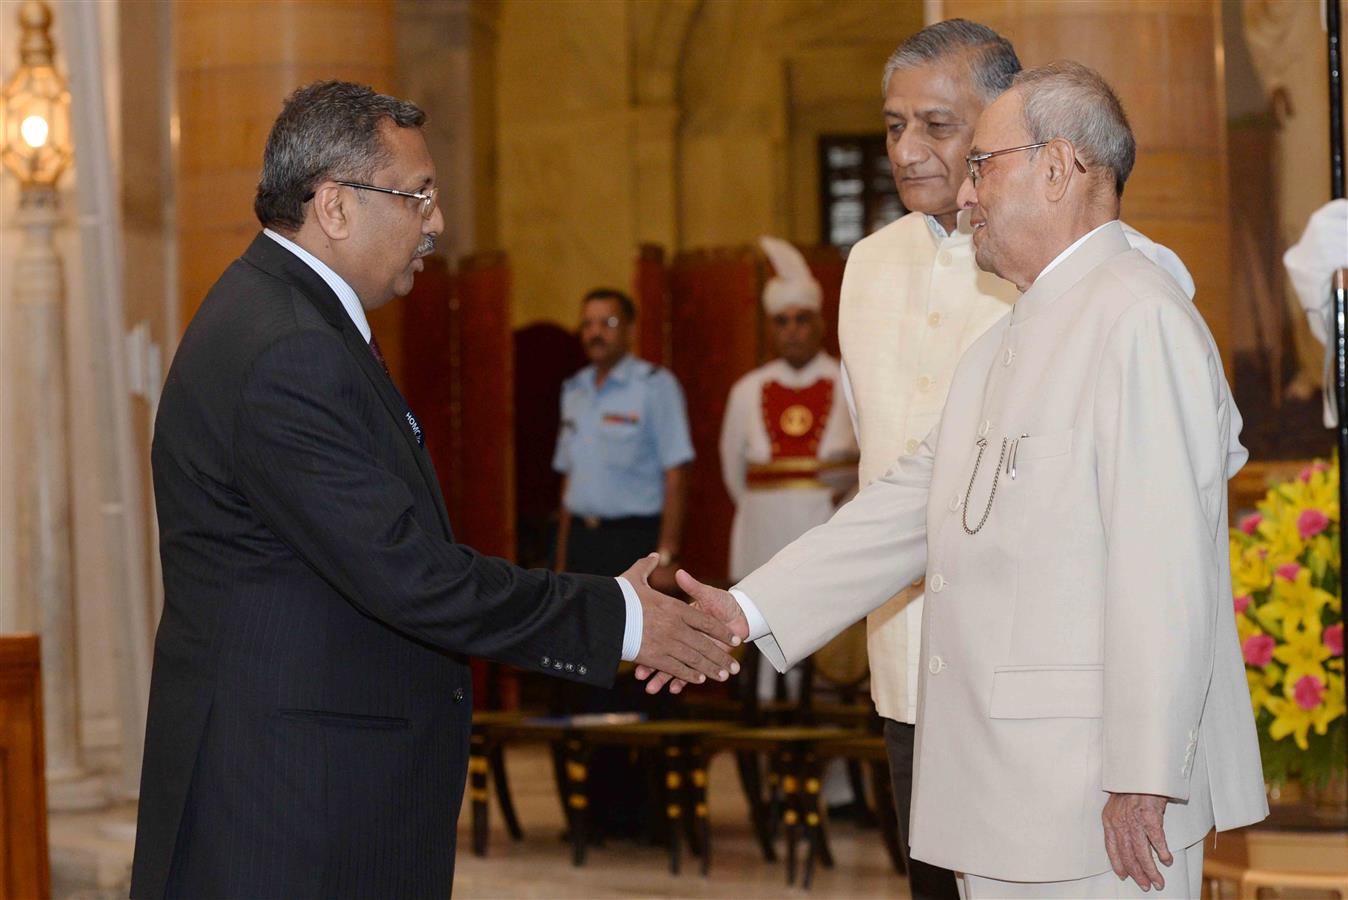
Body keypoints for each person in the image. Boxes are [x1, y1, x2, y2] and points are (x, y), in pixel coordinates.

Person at [665, 61, 1269, 898]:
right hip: (1009, 787)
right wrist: (747, 608)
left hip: (1099, 799)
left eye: (984, 164)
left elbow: (1165, 571)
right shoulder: (1005, 340)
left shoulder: (1139, 317)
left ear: (1059, 169)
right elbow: (910, 506)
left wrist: (1147, 773)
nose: (966, 194)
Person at [130, 81, 739, 898]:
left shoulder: (285, 317)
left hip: (308, 785)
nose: (437, 224)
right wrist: (619, 618)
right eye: (418, 197)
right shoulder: (288, 349)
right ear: (336, 206)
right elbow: (411, 576)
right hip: (293, 809)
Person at [842, 19, 1196, 898]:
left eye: (939, 124)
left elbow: (1162, 536)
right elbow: (891, 481)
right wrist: (752, 612)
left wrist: (1142, 756)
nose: (911, 150)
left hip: (1044, 695)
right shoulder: (865, 266)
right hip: (908, 663)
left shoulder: (1110, 281)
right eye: (893, 127)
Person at [719, 236, 858, 702]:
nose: (793, 330)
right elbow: (732, 470)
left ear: (819, 322)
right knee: (757, 647)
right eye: (782, 322)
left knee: (822, 654)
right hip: (761, 532)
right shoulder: (745, 389)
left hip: (824, 533)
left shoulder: (849, 380)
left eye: (802, 319)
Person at [553, 288, 693, 589]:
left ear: (630, 330)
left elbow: (676, 475)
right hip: (582, 540)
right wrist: (562, 556)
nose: (596, 332)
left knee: (634, 635)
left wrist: (666, 555)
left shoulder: (655, 386)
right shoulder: (574, 390)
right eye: (588, 324)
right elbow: (570, 479)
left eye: (608, 323)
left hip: (632, 541)